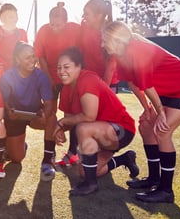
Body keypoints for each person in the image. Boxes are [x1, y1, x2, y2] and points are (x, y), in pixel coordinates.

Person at [102, 21, 180, 203]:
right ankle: (153, 179)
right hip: (167, 91)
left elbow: (147, 85)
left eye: (105, 40)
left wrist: (160, 112)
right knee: (146, 126)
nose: (102, 44)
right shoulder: (119, 56)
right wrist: (147, 110)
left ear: (117, 40)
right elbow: (134, 84)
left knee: (162, 131)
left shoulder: (136, 50)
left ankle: (166, 190)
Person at [54, 47, 139, 196]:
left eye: (66, 67)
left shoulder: (87, 79)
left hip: (121, 130)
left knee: (83, 128)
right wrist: (62, 129)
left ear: (79, 66)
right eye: (59, 68)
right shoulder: (66, 89)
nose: (61, 71)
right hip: (99, 133)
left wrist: (61, 123)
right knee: (86, 171)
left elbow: (89, 116)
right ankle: (125, 159)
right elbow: (71, 120)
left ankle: (91, 185)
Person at [0, 42, 58, 181]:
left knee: (52, 119)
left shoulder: (41, 76)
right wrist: (9, 111)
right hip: (14, 117)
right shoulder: (8, 76)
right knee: (16, 158)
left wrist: (45, 114)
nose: (32, 60)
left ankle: (48, 160)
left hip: (34, 116)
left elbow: (48, 103)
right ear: (18, 60)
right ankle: (17, 145)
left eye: (33, 56)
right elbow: (3, 101)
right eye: (27, 58)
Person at [34, 2, 81, 166]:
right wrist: (49, 79)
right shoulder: (43, 31)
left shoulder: (75, 29)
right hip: (51, 76)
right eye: (52, 24)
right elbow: (41, 58)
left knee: (71, 113)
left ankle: (73, 152)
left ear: (66, 22)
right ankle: (50, 151)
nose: (54, 28)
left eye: (58, 25)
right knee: (50, 114)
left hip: (69, 76)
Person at [80, 0, 119, 91]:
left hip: (108, 81)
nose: (83, 16)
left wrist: (104, 89)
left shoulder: (111, 33)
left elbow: (111, 65)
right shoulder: (84, 26)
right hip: (89, 78)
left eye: (87, 14)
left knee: (104, 105)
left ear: (99, 16)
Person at [0, 3, 28, 84]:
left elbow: (26, 54)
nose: (15, 19)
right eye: (11, 17)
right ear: (2, 18)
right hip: (0, 76)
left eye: (16, 16)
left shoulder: (22, 33)